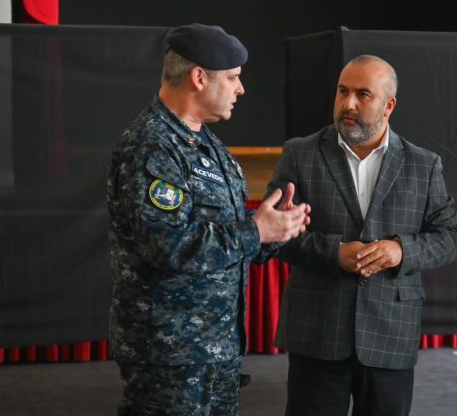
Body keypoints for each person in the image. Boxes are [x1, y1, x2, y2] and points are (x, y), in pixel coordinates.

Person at [106, 23, 310, 415]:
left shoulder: (206, 144)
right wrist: (254, 230)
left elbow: (225, 240)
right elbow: (167, 246)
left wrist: (275, 231)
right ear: (199, 77)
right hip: (170, 353)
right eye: (232, 77)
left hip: (215, 348)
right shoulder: (152, 145)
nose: (241, 89)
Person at [266, 54, 457, 416]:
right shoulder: (300, 154)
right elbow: (274, 235)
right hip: (318, 332)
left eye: (362, 94)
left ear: (389, 106)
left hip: (391, 333)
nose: (348, 104)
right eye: (342, 92)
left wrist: (401, 251)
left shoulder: (423, 164)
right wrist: (334, 252)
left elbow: (451, 238)